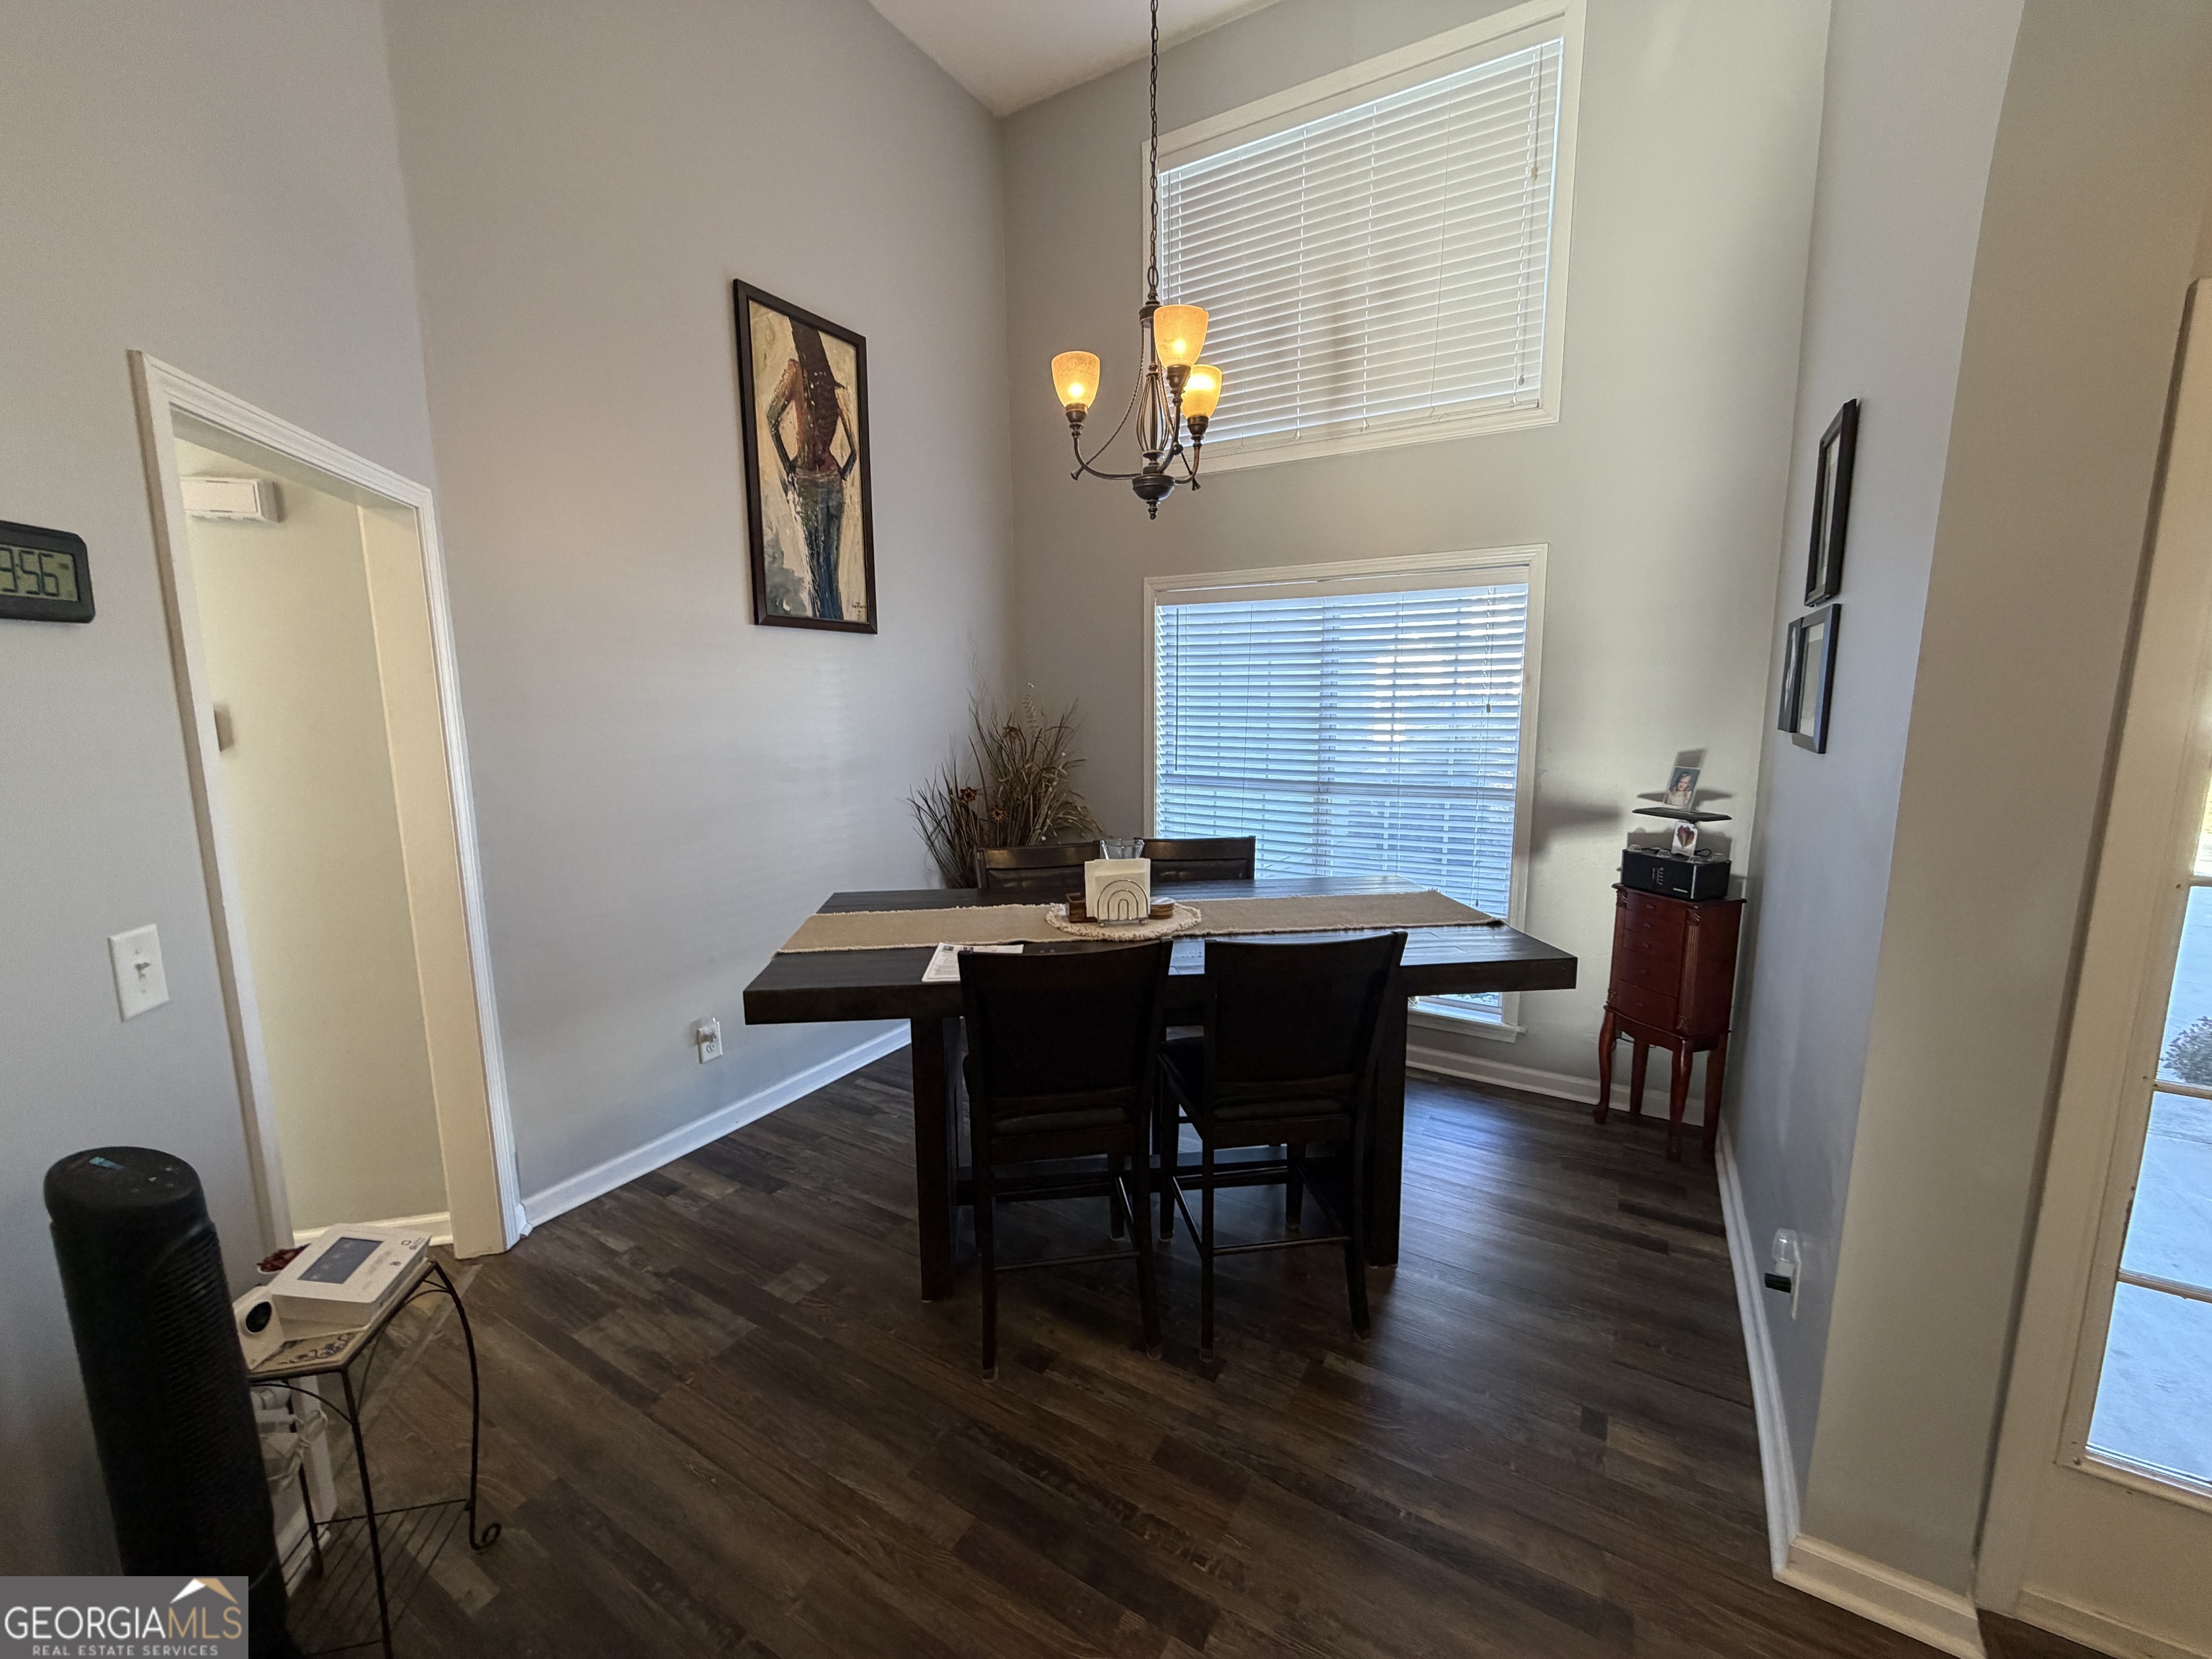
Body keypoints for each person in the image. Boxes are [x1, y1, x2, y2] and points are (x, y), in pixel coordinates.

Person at [765, 322, 860, 620]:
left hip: (808, 482)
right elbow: (855, 451)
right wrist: (841, 473)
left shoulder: (795, 372)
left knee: (818, 571)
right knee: (828, 569)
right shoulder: (833, 386)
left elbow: (771, 419)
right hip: (831, 481)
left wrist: (790, 469)